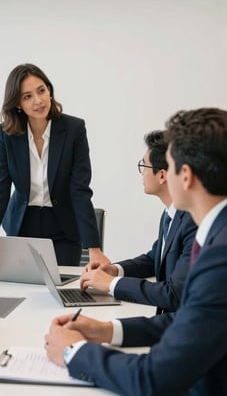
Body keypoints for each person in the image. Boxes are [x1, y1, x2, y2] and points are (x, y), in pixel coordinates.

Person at [45, 108, 227, 396]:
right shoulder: (219, 233)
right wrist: (106, 330)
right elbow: (187, 320)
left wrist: (73, 351)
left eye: (168, 166)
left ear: (184, 176)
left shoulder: (222, 256)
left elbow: (153, 381)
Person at [0, 63, 108, 267]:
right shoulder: (7, 135)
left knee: (62, 291)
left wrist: (94, 248)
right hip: (21, 226)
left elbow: (80, 190)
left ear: (49, 90)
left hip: (63, 230)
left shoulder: (74, 129)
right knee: (20, 291)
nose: (38, 100)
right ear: (17, 103)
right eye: (27, 96)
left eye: (41, 90)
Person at [80, 130, 197, 313]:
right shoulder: (170, 214)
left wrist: (112, 284)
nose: (142, 172)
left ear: (162, 175)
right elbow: (154, 259)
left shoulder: (192, 221)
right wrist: (114, 270)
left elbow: (174, 294)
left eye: (145, 166)